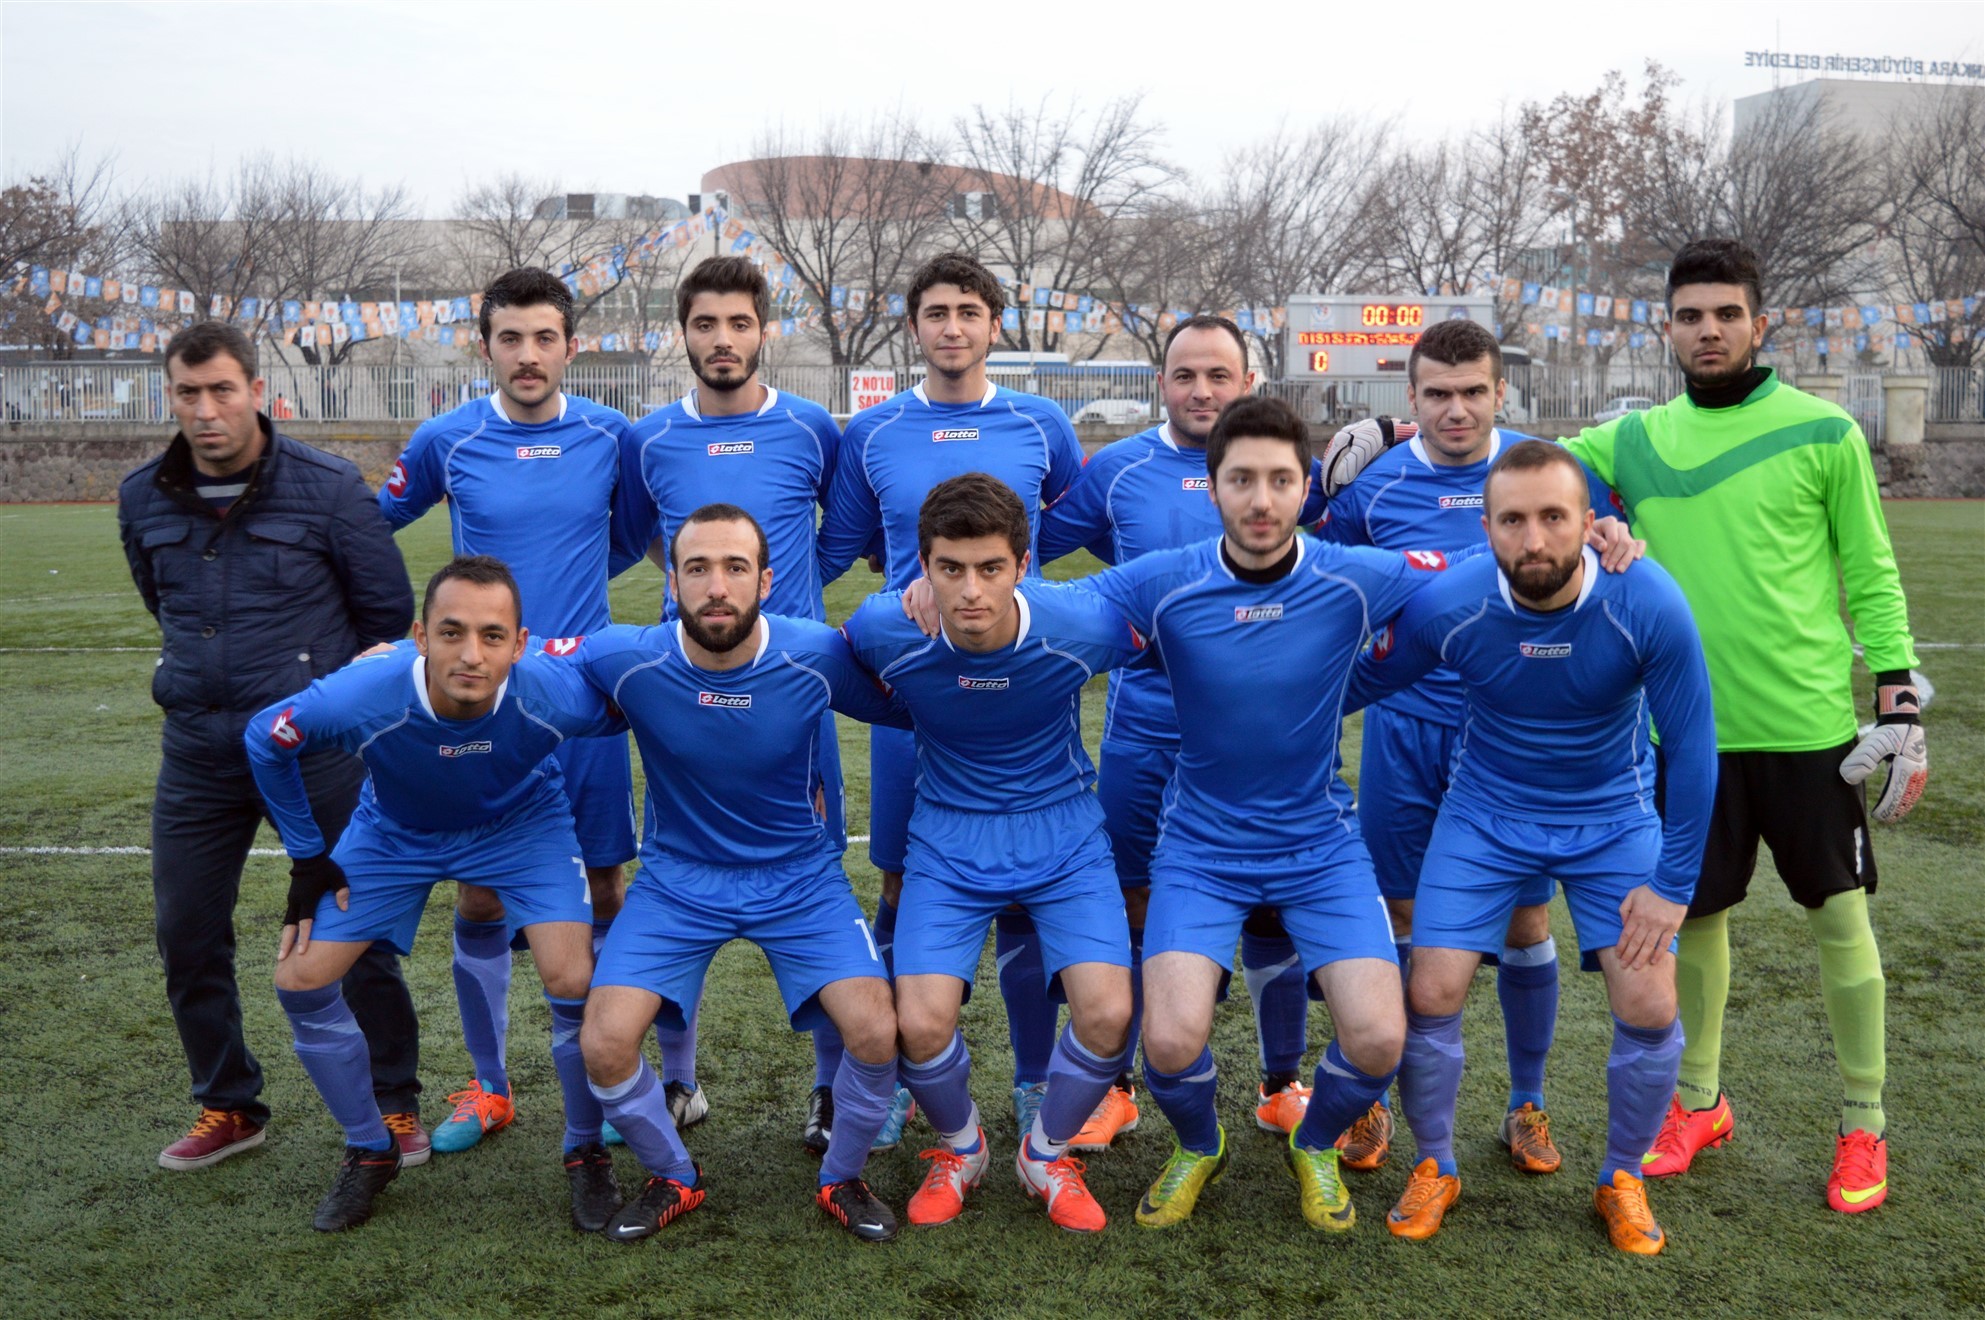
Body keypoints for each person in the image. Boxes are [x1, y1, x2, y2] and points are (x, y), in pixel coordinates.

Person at [1562, 239, 1926, 1214]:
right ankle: (1697, 1102)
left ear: (1758, 324)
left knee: (1839, 919)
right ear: (1666, 329)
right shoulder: (1632, 440)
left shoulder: (1823, 431)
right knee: (1693, 919)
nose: (1708, 330)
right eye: (1690, 315)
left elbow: (1869, 568)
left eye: (1726, 313)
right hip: (1685, 737)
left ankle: (1861, 1122)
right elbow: (1535, 469)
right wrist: (1596, 511)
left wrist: (1896, 698)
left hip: (1807, 728)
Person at [1077, 395, 1443, 1233]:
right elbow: (1054, 605)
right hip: (1199, 849)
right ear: (1211, 488)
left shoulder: (1352, 576)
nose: (1260, 499)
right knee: (1168, 1041)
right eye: (1240, 479)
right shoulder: (1166, 581)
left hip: (1320, 846)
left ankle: (1313, 1143)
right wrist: (926, 596)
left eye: (1279, 480)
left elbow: (1470, 566)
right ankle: (1198, 1144)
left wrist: (1599, 544)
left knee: (1378, 1038)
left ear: (1304, 488)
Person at [1344, 439, 1716, 1254]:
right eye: (1512, 521)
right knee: (1431, 991)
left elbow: (1692, 749)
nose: (1534, 539)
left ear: (1591, 522)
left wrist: (1671, 884)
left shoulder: (1645, 599)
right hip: (1484, 817)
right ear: (1485, 529)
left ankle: (1620, 1176)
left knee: (1649, 1004)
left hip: (1611, 819)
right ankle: (1435, 1163)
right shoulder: (1453, 603)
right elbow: (1357, 682)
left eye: (1554, 517)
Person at [117, 320, 425, 1174]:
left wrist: (320, 703)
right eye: (188, 392)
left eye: (222, 389)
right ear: (170, 396)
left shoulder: (327, 487)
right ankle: (229, 1104)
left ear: (257, 391)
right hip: (198, 754)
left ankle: (393, 1102)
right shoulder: (142, 496)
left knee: (355, 931)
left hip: (314, 752)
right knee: (186, 933)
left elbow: (383, 616)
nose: (206, 410)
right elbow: (162, 603)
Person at [560, 505, 909, 1244]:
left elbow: (916, 700)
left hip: (798, 878)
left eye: (735, 568)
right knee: (605, 1042)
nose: (716, 586)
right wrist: (399, 661)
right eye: (697, 568)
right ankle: (673, 1175)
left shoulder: (815, 654)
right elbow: (522, 664)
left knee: (878, 1031)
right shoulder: (628, 658)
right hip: (677, 883)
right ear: (672, 582)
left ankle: (842, 1176)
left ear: (765, 581)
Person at [245, 557, 616, 1232]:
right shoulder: (361, 693)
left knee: (573, 979)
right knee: (300, 979)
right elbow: (265, 739)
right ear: (419, 636)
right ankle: (369, 1149)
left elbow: (648, 695)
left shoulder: (557, 694)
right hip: (395, 834)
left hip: (522, 827)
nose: (471, 655)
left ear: (519, 644)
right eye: (451, 632)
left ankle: (585, 1149)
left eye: (492, 636)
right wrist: (306, 855)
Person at [1030, 315, 1329, 1150]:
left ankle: (1279, 1083)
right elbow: (1029, 549)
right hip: (1144, 725)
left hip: (1265, 734)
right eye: (1185, 375)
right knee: (1131, 896)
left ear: (1247, 382)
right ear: (1160, 383)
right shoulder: (1117, 470)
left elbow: (1346, 547)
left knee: (1270, 903)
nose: (1201, 390)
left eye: (1218, 375)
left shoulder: (1279, 469)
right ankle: (1116, 1087)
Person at [1316, 317, 1601, 1174]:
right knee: (1399, 913)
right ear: (1410, 397)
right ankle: (1373, 1100)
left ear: (1499, 392)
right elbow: (1320, 574)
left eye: (1473, 391)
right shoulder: (1376, 487)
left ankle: (1526, 1103)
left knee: (1523, 918)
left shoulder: (1539, 473)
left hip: (1509, 733)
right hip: (1403, 727)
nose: (1456, 409)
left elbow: (1603, 551)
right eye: (1437, 393)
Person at [617, 256, 885, 1152]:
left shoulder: (811, 427)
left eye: (739, 323)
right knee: (674, 876)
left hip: (789, 695)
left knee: (814, 879)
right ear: (682, 334)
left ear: (764, 330)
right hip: (685, 696)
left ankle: (825, 1091)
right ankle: (680, 1080)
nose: (723, 339)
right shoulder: (650, 438)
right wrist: (703, 596)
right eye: (705, 324)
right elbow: (645, 539)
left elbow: (842, 537)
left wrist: (786, 608)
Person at [816, 252, 1085, 1142]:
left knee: (1026, 888)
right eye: (936, 312)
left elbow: (1064, 532)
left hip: (1021, 690)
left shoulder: (1041, 422)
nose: (953, 327)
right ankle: (900, 1074)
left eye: (969, 311)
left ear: (995, 324)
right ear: (914, 326)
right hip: (916, 691)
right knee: (898, 875)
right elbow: (839, 548)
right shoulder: (873, 431)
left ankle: (1035, 1079)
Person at [379, 268, 649, 1152]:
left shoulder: (611, 437)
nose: (527, 355)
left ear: (571, 346)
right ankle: (490, 1087)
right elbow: (368, 529)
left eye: (543, 339)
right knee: (482, 888)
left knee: (605, 881)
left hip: (583, 703)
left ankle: (612, 1075)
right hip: (482, 704)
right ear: (484, 345)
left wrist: (562, 632)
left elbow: (626, 540)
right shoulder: (446, 438)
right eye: (510, 339)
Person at [841, 474, 1144, 1233]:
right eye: (950, 569)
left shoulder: (1078, 624)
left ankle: (1045, 1154)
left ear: (1022, 566)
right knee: (919, 1024)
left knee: (1109, 1015)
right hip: (948, 838)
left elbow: (1167, 616)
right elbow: (845, 668)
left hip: (1064, 833)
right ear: (923, 567)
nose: (970, 591)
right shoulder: (884, 628)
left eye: (989, 568)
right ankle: (962, 1147)